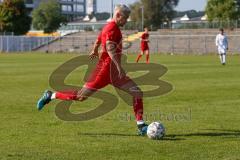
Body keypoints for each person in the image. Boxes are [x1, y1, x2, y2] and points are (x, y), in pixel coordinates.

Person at [37, 4, 148, 136]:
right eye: (125, 18)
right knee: (81, 96)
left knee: (136, 93)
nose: (126, 20)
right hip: (104, 71)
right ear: (118, 15)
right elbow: (109, 48)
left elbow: (99, 38)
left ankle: (141, 125)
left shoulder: (109, 27)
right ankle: (51, 95)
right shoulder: (112, 28)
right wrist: (119, 66)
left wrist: (94, 49)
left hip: (113, 72)